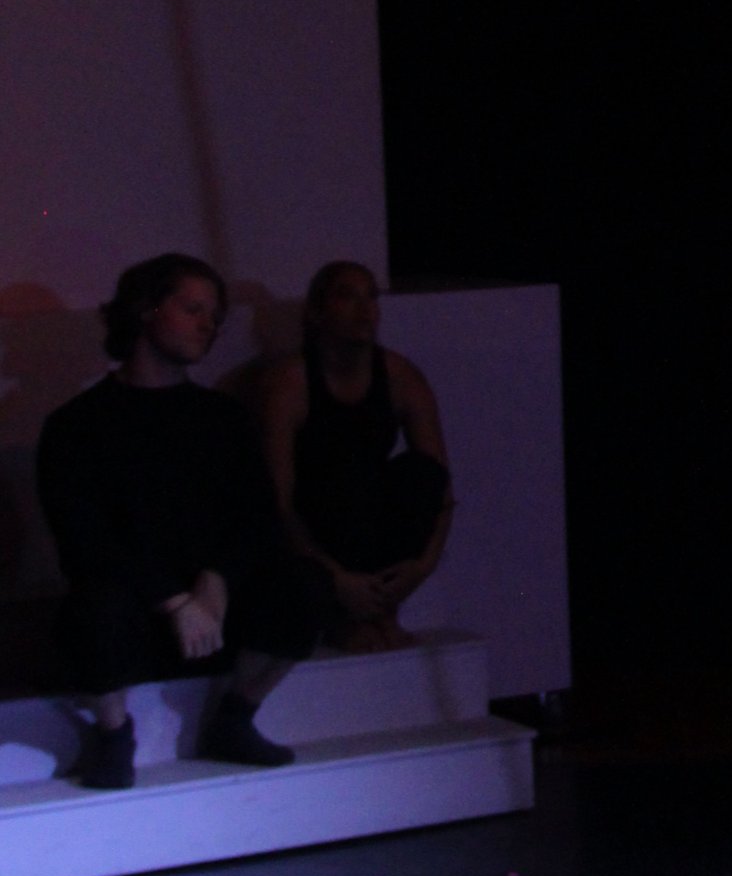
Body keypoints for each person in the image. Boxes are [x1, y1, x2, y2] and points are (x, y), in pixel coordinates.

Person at [35, 253, 324, 789]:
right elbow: (84, 538)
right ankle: (113, 734)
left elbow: (256, 516)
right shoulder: (78, 425)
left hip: (214, 615)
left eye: (213, 316)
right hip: (136, 610)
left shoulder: (222, 417)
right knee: (91, 609)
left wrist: (214, 586)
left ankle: (236, 717)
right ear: (146, 310)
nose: (206, 326)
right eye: (192, 309)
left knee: (301, 586)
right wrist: (174, 601)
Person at [261, 262, 454, 654]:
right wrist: (335, 579)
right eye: (347, 296)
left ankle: (380, 611)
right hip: (320, 518)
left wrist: (424, 566)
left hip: (370, 515)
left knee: (420, 476)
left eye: (371, 297)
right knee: (341, 483)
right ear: (317, 311)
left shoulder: (400, 375)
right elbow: (277, 501)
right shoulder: (291, 382)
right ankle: (344, 618)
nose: (364, 309)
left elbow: (441, 486)